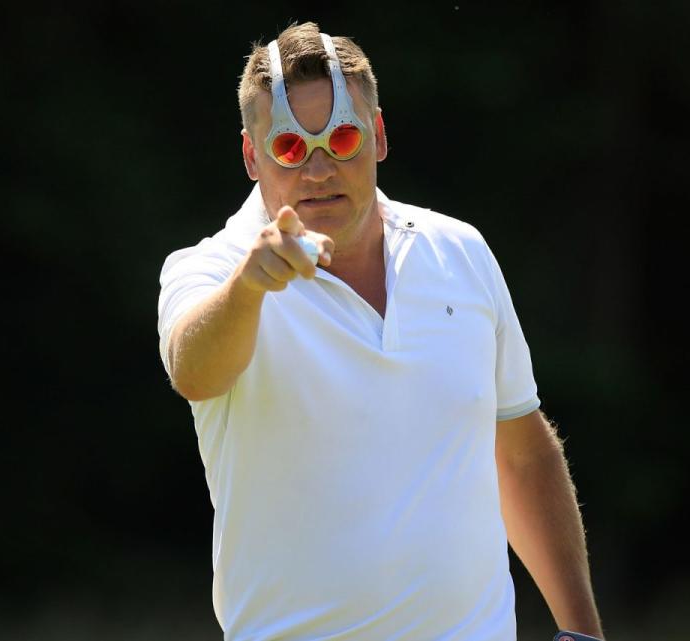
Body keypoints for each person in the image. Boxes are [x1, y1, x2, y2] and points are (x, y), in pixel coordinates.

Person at [157, 21, 604, 641]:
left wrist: (583, 634)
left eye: (342, 138)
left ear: (380, 137)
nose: (318, 169)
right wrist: (250, 288)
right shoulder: (212, 269)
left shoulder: (461, 252)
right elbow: (193, 368)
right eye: (289, 147)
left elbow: (522, 454)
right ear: (251, 156)